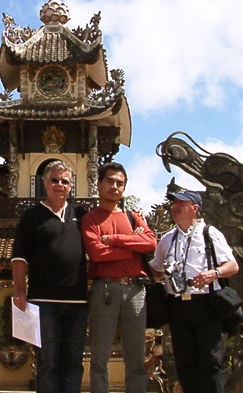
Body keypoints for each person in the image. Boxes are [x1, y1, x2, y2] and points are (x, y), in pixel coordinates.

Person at [149, 186, 239, 393]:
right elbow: (156, 269)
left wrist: (213, 273)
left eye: (181, 203)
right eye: (174, 203)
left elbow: (232, 266)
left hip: (206, 304)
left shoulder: (209, 234)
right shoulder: (167, 239)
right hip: (177, 306)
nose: (175, 207)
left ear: (195, 208)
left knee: (210, 363)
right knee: (184, 363)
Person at [12, 160, 88, 393]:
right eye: (54, 180)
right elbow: (19, 258)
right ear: (44, 183)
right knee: (48, 363)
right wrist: (20, 291)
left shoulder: (82, 215)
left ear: (71, 186)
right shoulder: (32, 217)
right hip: (44, 302)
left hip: (77, 302)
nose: (59, 185)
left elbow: (102, 240)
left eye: (65, 181)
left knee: (74, 363)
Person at [82, 162, 157, 393]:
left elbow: (150, 243)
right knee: (99, 357)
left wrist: (114, 240)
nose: (115, 186)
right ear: (98, 184)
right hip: (105, 289)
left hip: (135, 290)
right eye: (110, 181)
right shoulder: (90, 219)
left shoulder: (133, 216)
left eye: (120, 183)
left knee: (136, 358)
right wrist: (132, 246)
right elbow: (96, 253)